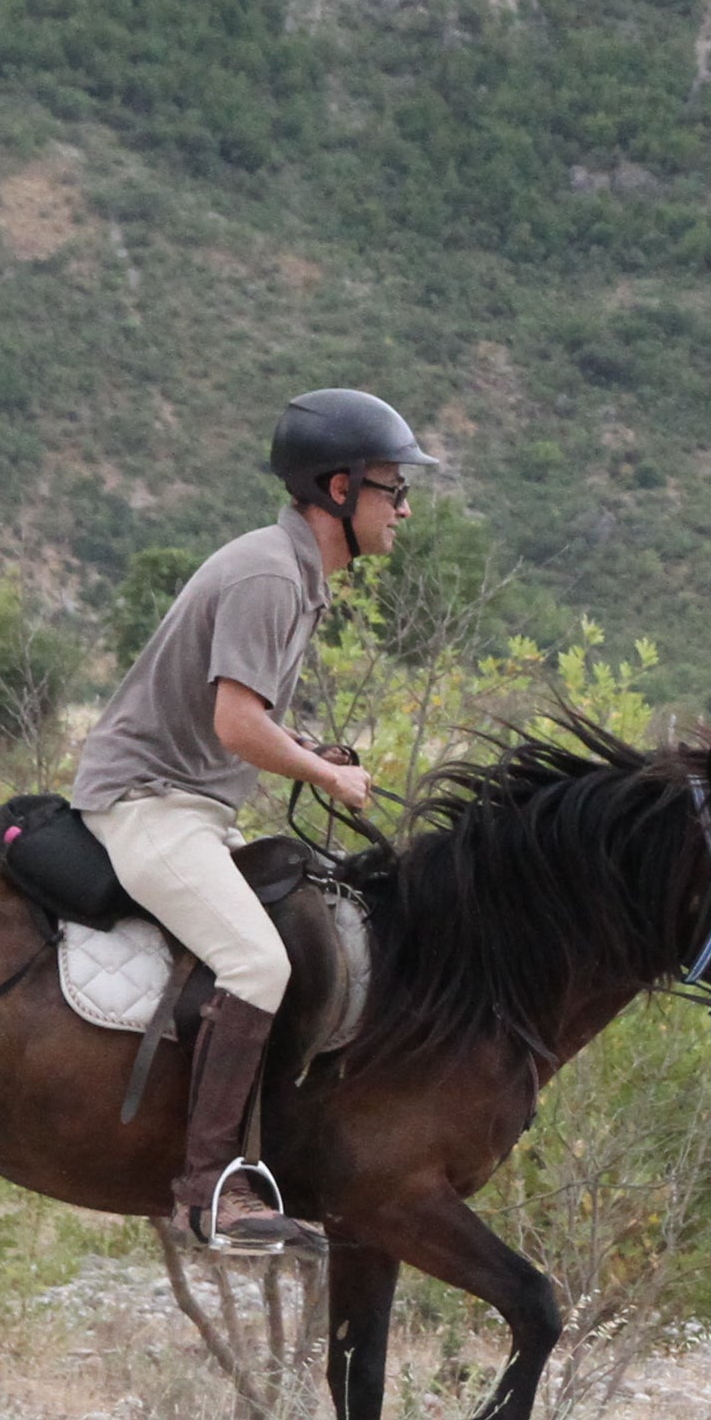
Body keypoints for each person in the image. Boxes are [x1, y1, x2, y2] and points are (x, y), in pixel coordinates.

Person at [70, 388, 442, 1255]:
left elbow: (242, 721)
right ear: (341, 490)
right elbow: (237, 724)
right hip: (148, 803)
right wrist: (328, 778)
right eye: (395, 488)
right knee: (257, 961)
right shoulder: (273, 575)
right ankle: (208, 1194)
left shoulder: (294, 573)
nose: (407, 508)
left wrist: (310, 748)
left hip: (191, 803)